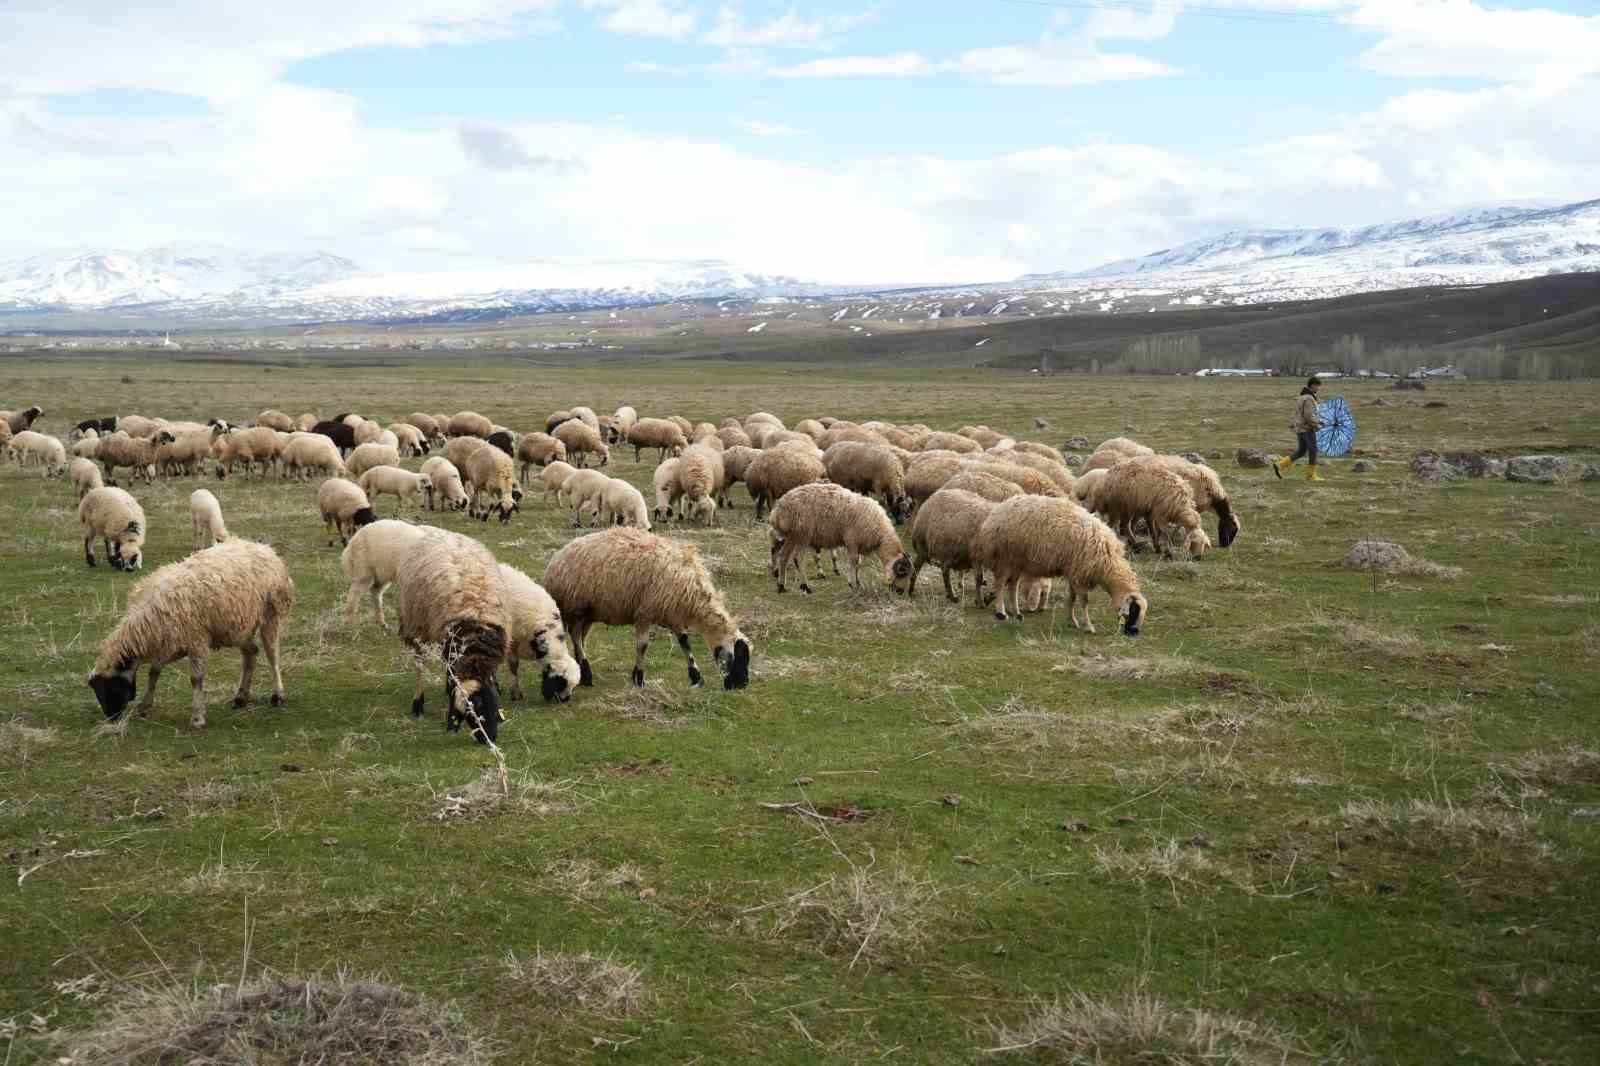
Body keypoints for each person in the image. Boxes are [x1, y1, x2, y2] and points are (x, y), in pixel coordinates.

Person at [1274, 377, 1324, 481]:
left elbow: (1303, 415)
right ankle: (1311, 475)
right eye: (1318, 386)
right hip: (1307, 428)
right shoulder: (1309, 398)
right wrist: (1317, 425)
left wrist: (1318, 422)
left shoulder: (1302, 397)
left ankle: (1280, 465)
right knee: (1313, 450)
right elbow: (1308, 416)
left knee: (1301, 451)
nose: (1319, 388)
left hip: (1300, 428)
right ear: (1312, 385)